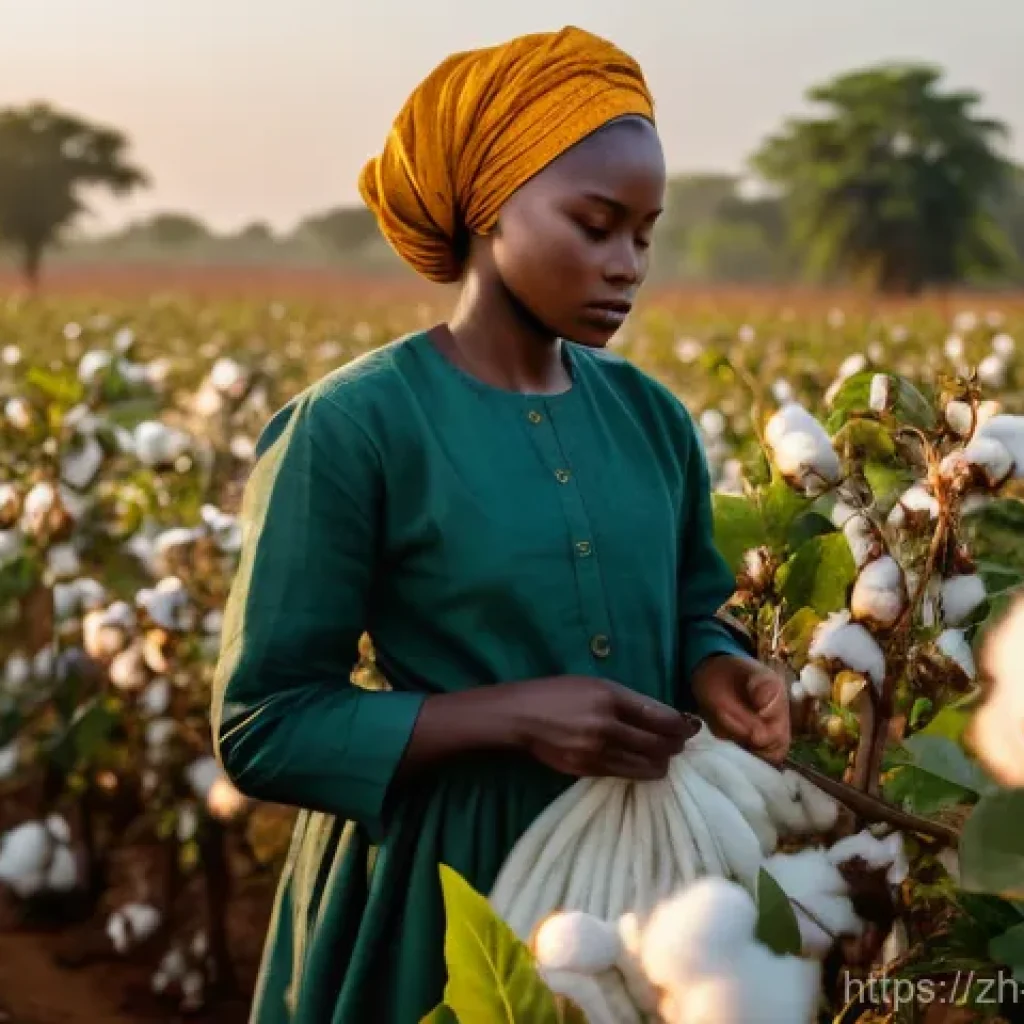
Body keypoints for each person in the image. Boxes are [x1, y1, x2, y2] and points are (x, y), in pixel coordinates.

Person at [210, 24, 790, 1024]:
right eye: (595, 223)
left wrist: (716, 669)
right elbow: (264, 726)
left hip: (646, 890)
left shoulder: (653, 419)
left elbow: (695, 607)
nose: (628, 265)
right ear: (489, 208)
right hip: (435, 905)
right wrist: (515, 714)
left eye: (644, 233)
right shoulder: (351, 427)